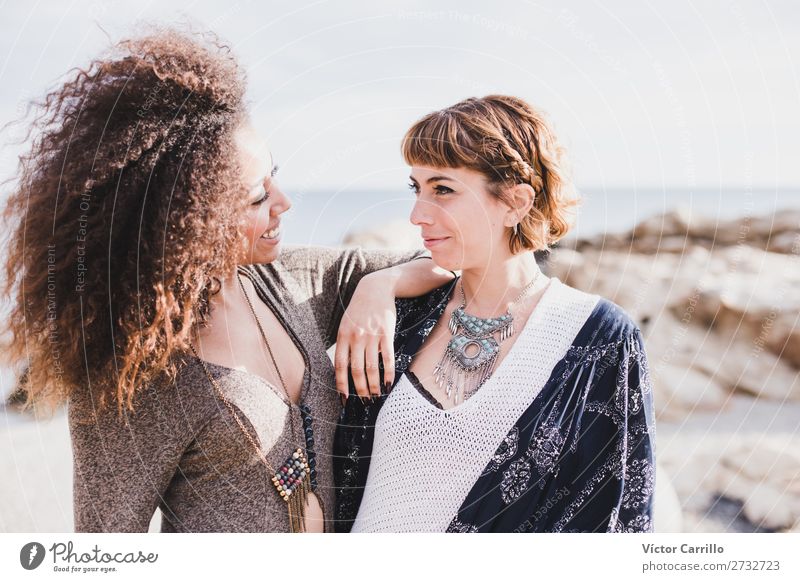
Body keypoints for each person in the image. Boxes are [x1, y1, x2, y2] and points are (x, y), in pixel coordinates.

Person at [1, 29, 452, 533]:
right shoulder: (133, 374)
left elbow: (447, 259)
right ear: (186, 217)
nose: (284, 202)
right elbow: (104, 549)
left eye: (274, 178)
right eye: (257, 198)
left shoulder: (290, 280)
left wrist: (377, 289)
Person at [334, 95, 656, 533]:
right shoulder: (400, 317)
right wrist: (377, 283)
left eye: (442, 189)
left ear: (515, 202)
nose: (416, 214)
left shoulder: (598, 338)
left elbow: (617, 514)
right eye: (417, 188)